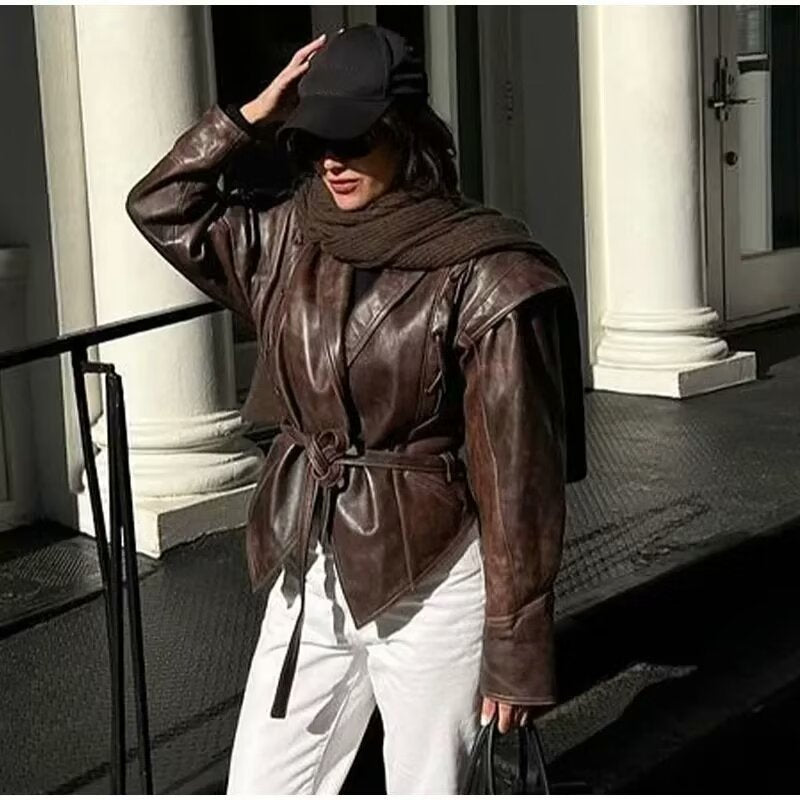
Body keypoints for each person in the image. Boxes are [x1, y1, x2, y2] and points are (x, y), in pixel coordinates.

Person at [126, 24, 586, 795]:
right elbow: (162, 206)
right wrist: (251, 117)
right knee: (262, 786)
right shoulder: (288, 239)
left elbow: (519, 481)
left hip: (432, 579)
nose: (332, 161)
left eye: (354, 137)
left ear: (406, 134)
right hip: (310, 565)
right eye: (315, 141)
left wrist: (517, 645)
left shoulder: (489, 273)